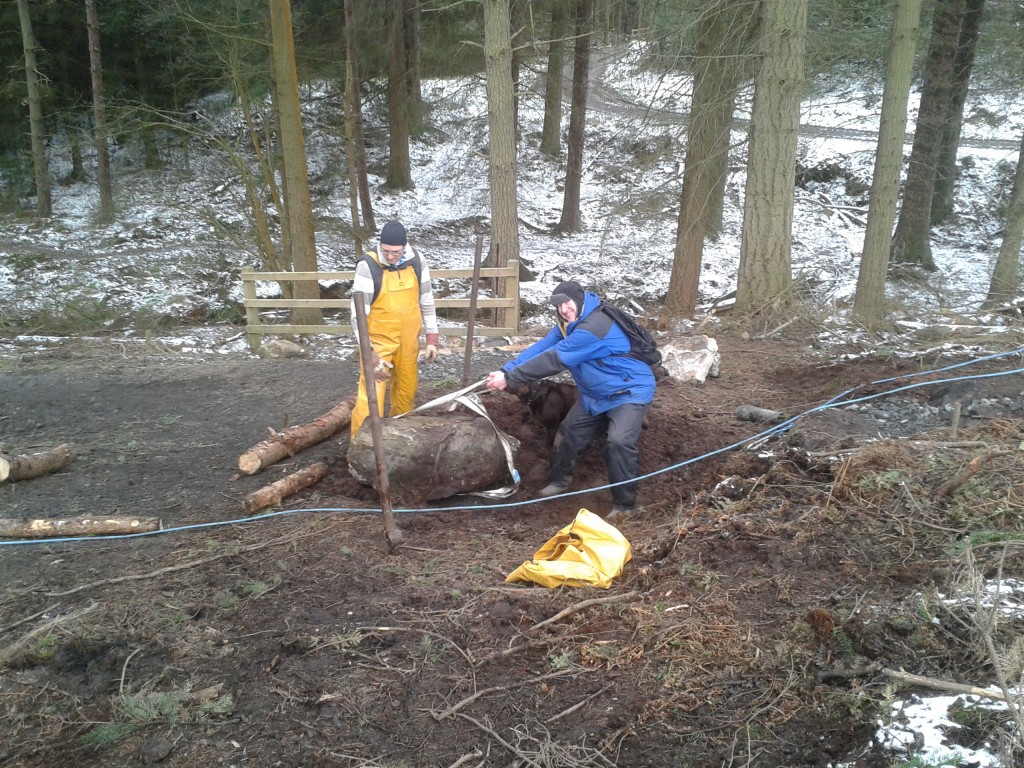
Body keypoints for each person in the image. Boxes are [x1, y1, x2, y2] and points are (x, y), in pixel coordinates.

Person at [485, 280, 656, 517]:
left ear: (580, 299)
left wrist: (513, 378)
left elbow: (556, 359)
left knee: (618, 442)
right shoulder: (568, 324)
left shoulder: (595, 326)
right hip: (595, 395)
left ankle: (624, 506)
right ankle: (559, 482)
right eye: (558, 306)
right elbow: (543, 347)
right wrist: (507, 370)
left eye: (567, 303)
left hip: (628, 392)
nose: (563, 309)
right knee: (568, 432)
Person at [350, 221, 439, 437]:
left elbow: (426, 299)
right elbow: (357, 316)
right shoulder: (368, 266)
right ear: (380, 245)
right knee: (372, 397)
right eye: (386, 251)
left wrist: (432, 337)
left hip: (409, 339)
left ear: (404, 247)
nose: (390, 257)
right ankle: (362, 443)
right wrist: (370, 353)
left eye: (396, 252)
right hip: (379, 341)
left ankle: (399, 438)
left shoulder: (417, 261)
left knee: (406, 391)